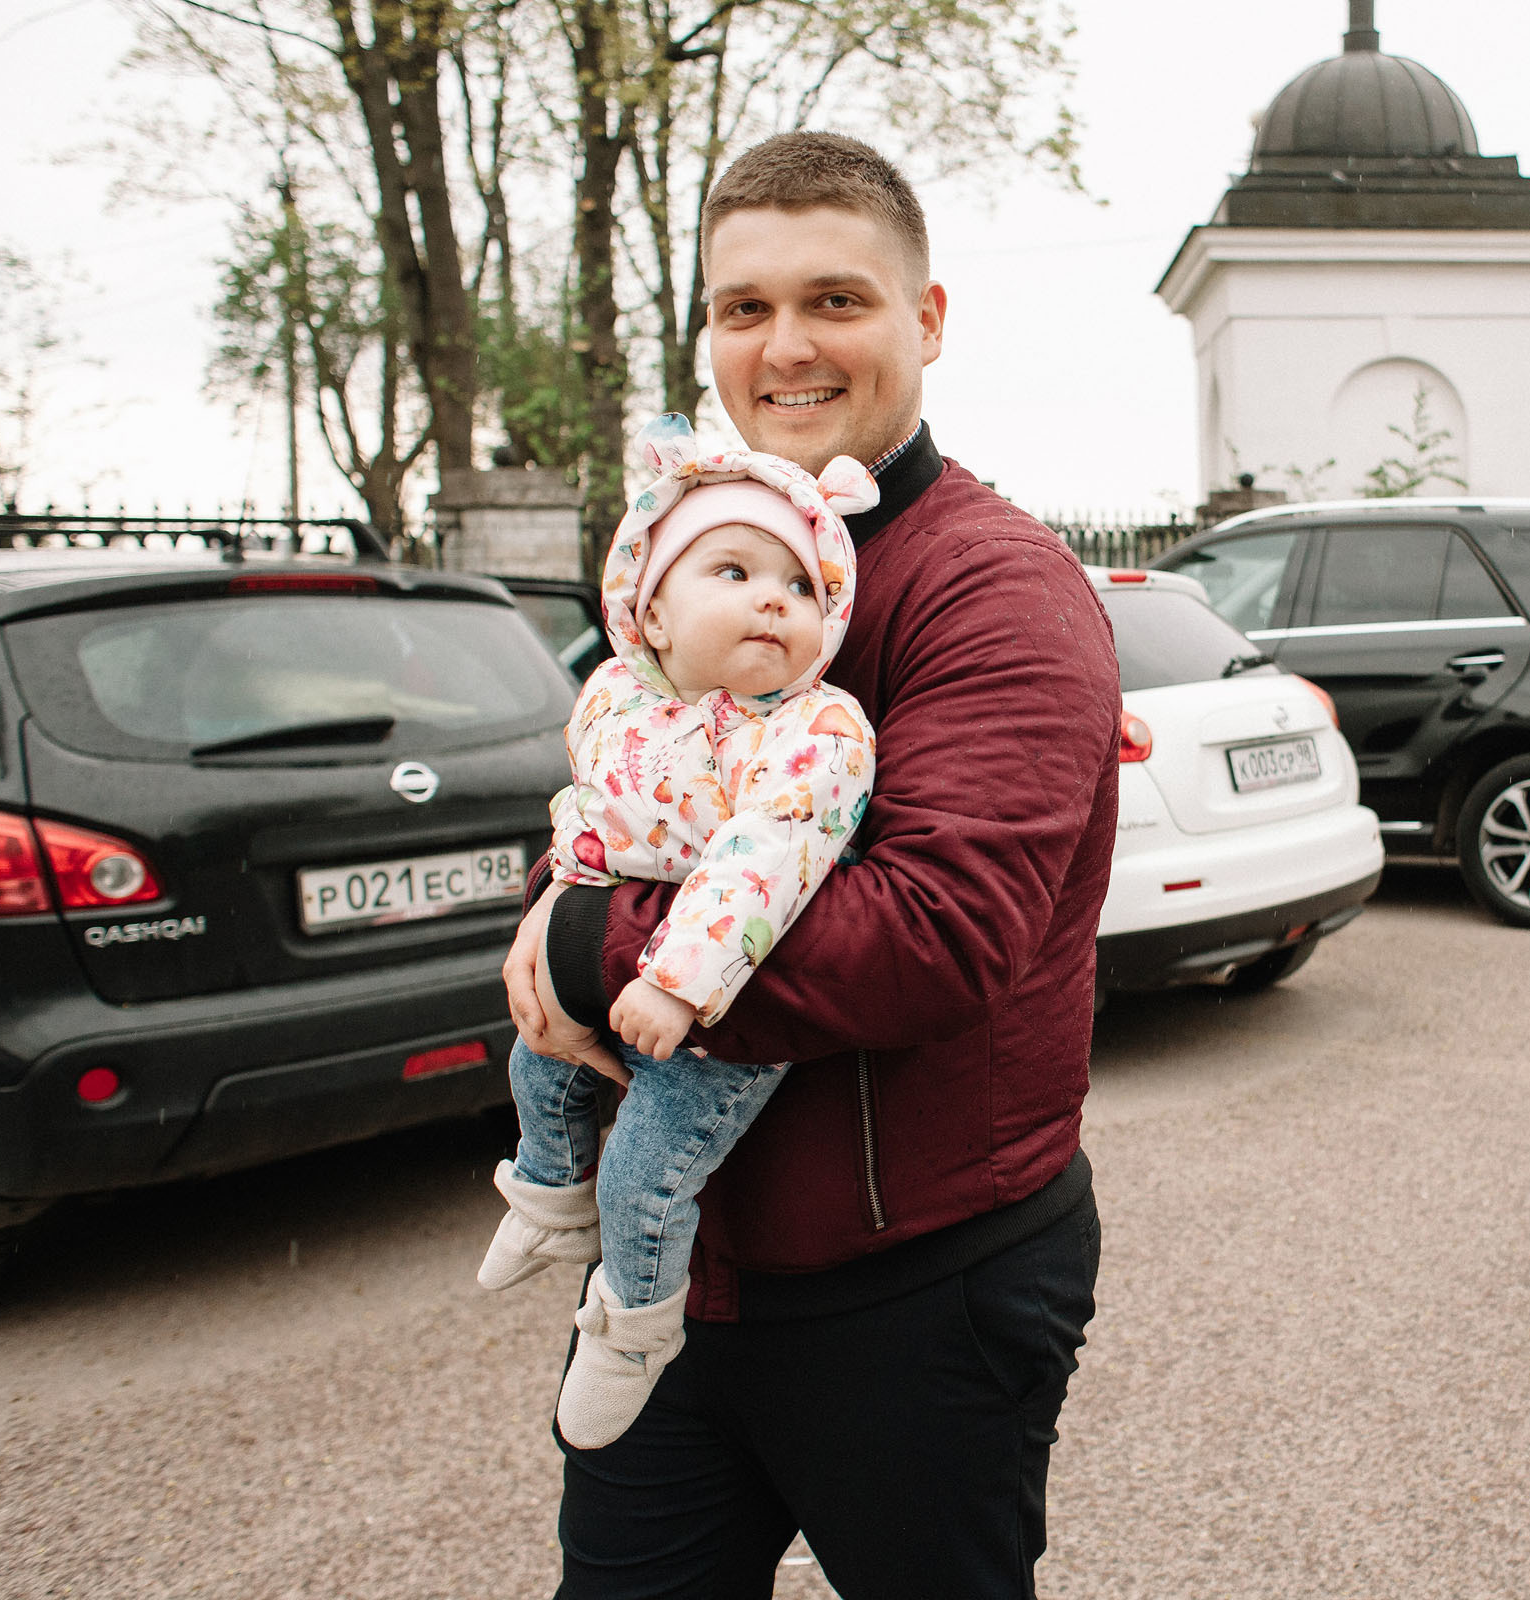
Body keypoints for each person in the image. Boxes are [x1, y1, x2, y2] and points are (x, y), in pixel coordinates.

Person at [500, 132, 1119, 1598]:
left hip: (916, 1284)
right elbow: (619, 797)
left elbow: (930, 936)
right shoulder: (702, 556)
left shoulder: (996, 586)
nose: (784, 347)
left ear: (929, 319)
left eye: (836, 299)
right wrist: (559, 902)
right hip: (675, 1267)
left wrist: (586, 947)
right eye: (741, 308)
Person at [479, 433, 878, 1450]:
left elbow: (768, 855)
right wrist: (555, 892)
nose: (772, 599)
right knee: (537, 1066)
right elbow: (591, 807)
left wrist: (675, 981)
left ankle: (635, 1326)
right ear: (653, 606)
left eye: (799, 584)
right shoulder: (621, 700)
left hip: (727, 999)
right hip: (616, 950)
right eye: (733, 571)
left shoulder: (811, 729)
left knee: (647, 1170)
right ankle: (545, 1187)